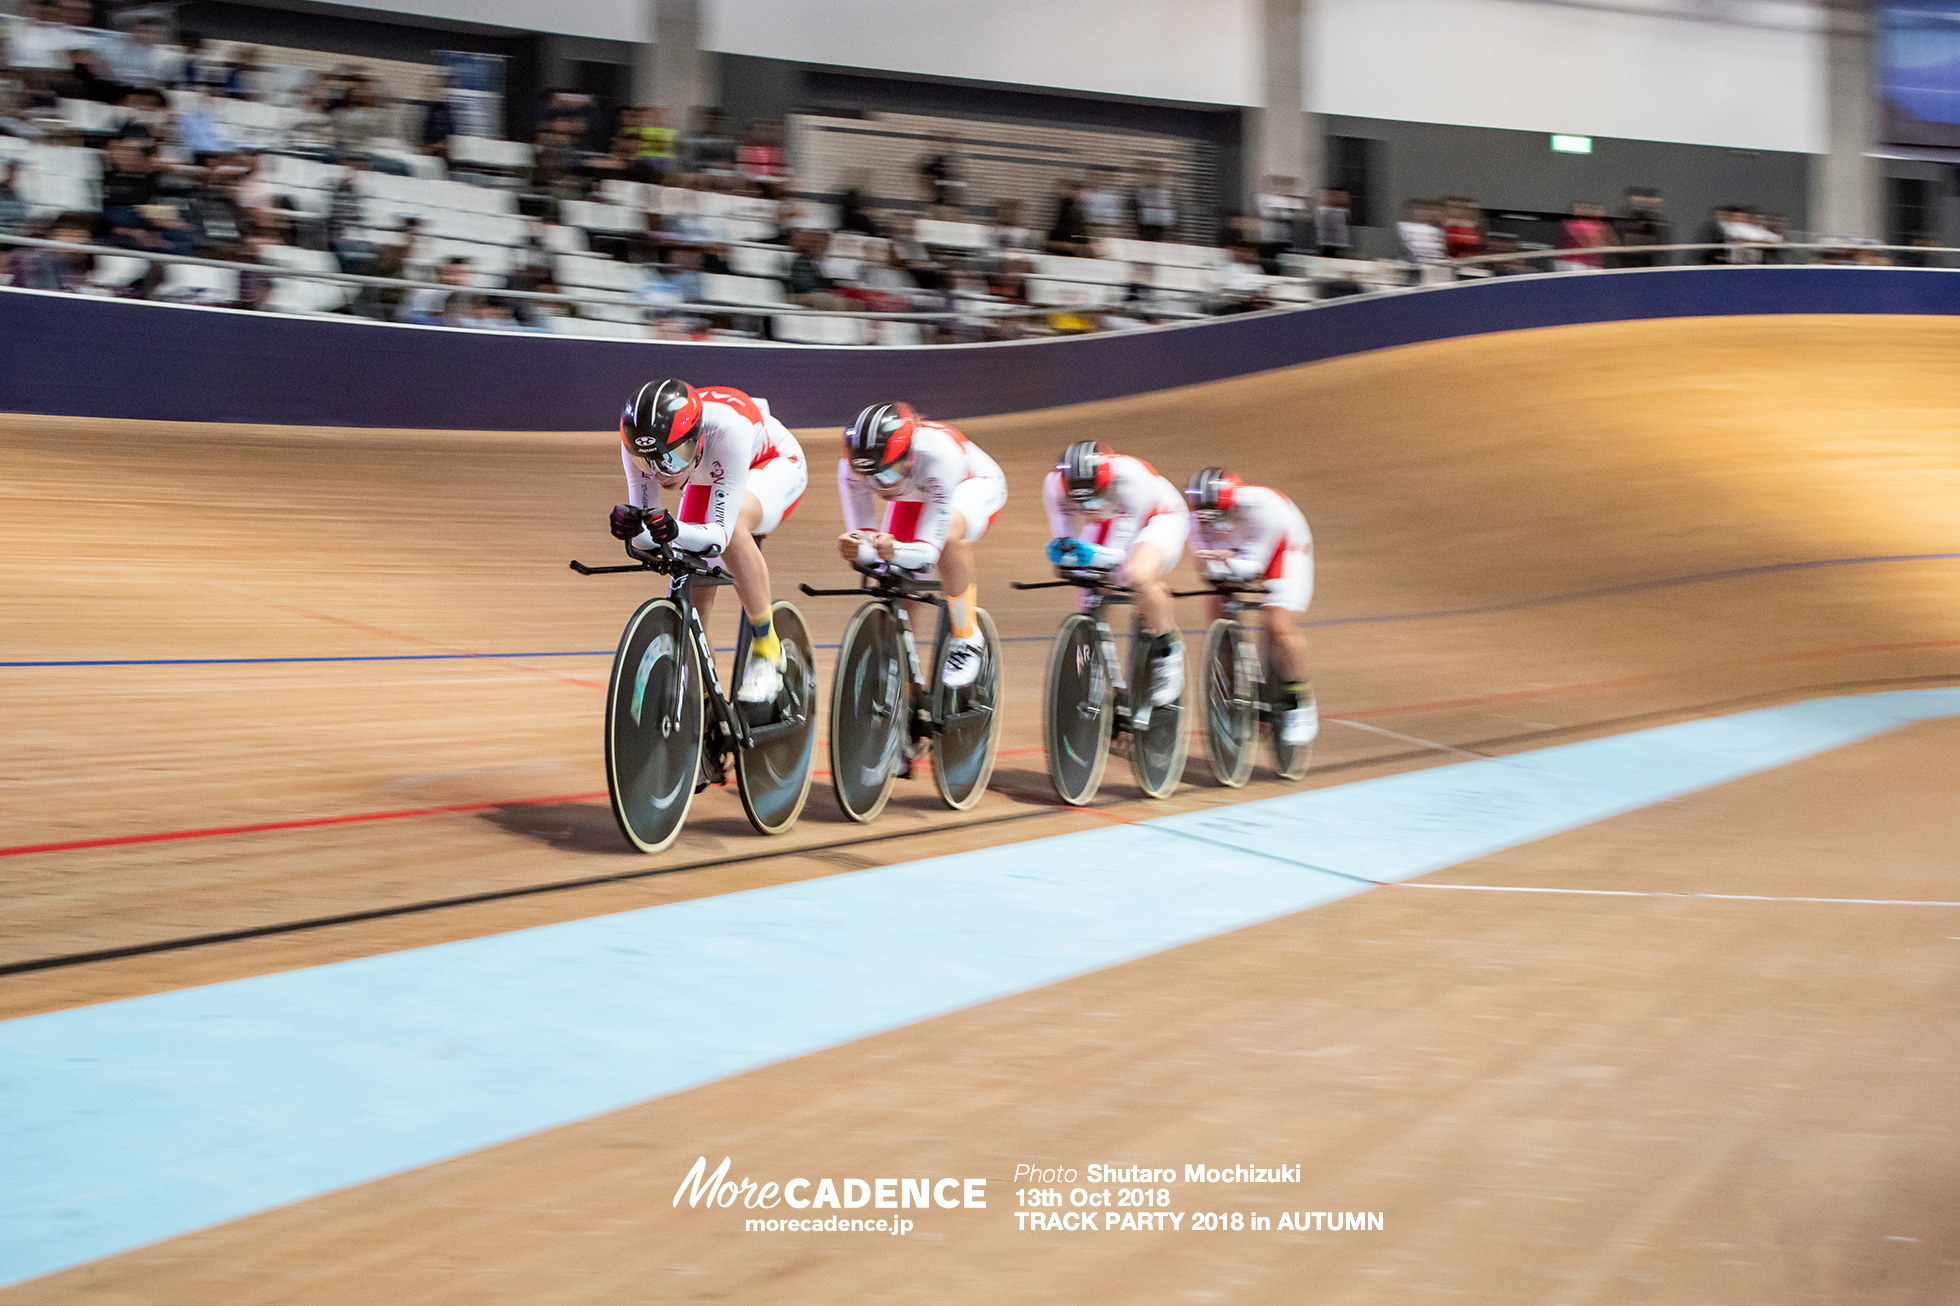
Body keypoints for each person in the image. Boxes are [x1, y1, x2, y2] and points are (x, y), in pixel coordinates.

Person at [609, 380, 809, 704]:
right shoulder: (640, 446)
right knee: (687, 568)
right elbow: (653, 539)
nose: (659, 473)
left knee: (735, 528)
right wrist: (632, 529)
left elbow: (719, 535)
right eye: (648, 462)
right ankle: (703, 694)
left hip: (771, 462)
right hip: (706, 472)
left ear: (696, 438)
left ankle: (768, 650)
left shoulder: (729, 430)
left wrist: (671, 530)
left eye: (671, 458)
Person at [835, 403, 1008, 688]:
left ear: (910, 457)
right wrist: (858, 547)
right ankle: (904, 694)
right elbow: (866, 539)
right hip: (915, 490)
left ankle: (967, 636)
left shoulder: (938, 456)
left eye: (886, 475)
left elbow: (929, 551)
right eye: (870, 478)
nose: (879, 486)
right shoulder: (852, 469)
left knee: (949, 538)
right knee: (895, 584)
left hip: (969, 485)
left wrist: (895, 549)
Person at [1042, 441, 1189, 706]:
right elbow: (1067, 542)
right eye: (1078, 500)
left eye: (1092, 496)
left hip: (1158, 518)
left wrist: (1090, 556)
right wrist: (1064, 552)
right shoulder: (1054, 486)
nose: (1085, 505)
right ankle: (1108, 683)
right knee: (1088, 595)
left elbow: (1120, 559)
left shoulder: (1132, 479)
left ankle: (1168, 652)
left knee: (1136, 574)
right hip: (1112, 519)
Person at [1183, 466, 1318, 746]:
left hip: (1283, 546)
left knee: (1276, 625)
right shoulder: (1194, 518)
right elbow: (1209, 569)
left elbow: (1254, 568)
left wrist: (1227, 560)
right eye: (1206, 520)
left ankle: (1298, 698)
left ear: (1233, 504)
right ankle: (1238, 687)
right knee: (1217, 608)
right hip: (1237, 550)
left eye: (1219, 516)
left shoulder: (1263, 508)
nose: (1212, 524)